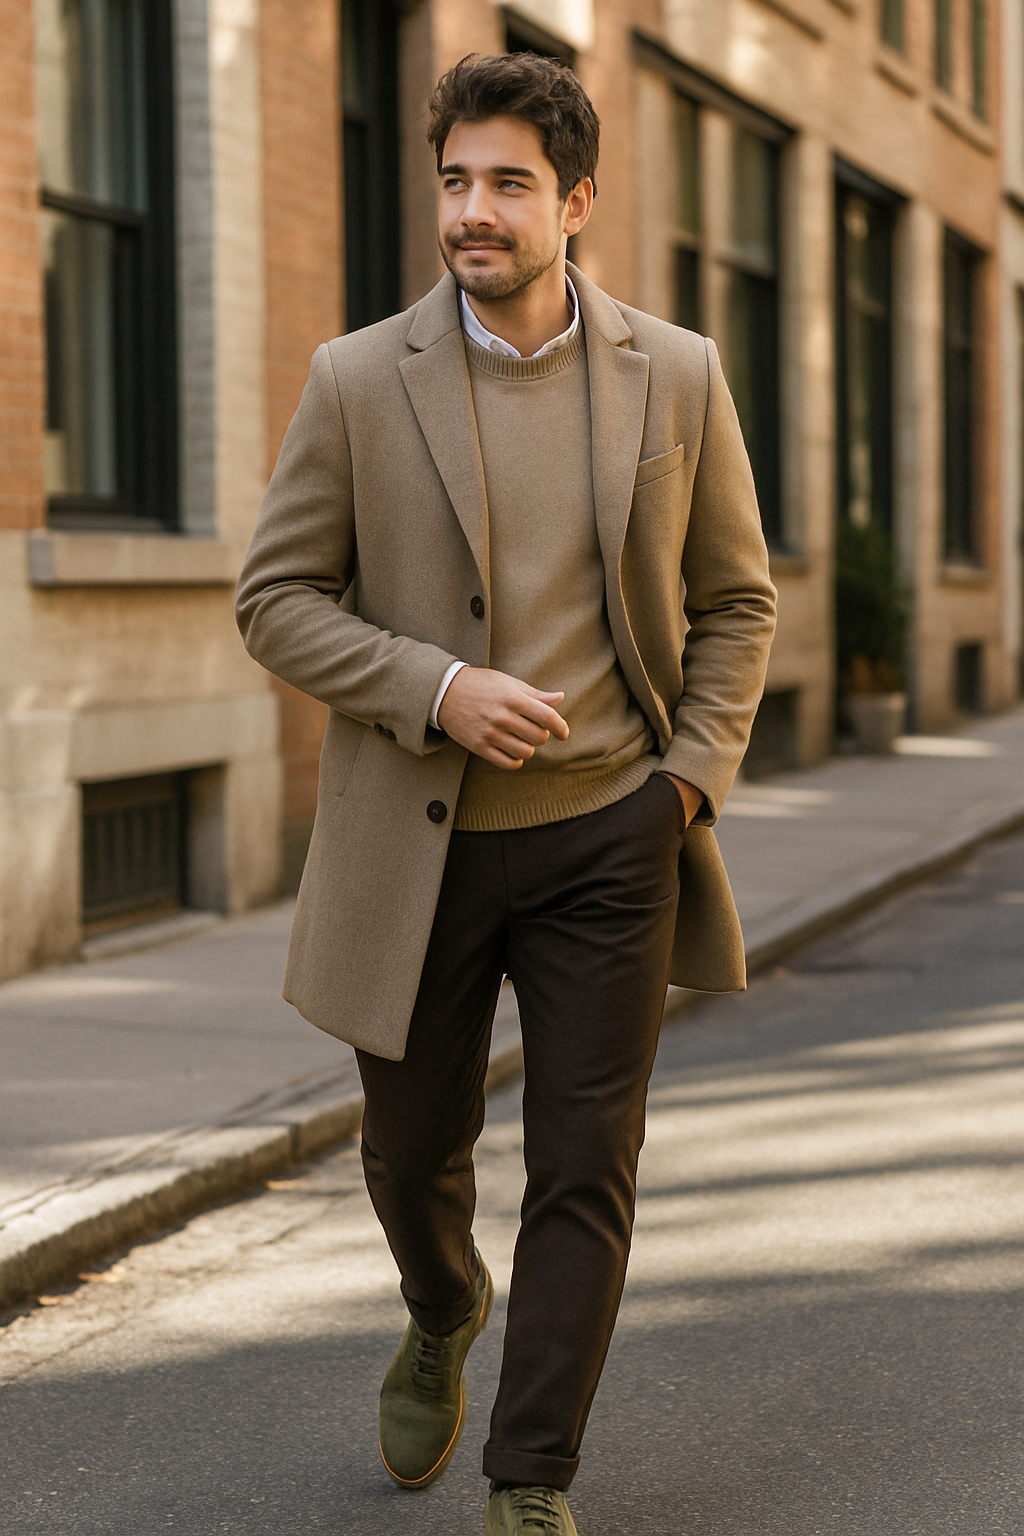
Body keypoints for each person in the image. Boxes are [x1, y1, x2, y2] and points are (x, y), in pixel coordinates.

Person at [236, 51, 776, 1536]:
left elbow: (739, 602)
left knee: (585, 1166)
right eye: (456, 181)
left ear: (577, 203)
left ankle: (532, 1476)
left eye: (510, 185)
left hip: (616, 832)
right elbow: (274, 599)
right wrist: (435, 688)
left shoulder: (678, 371)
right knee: (410, 1156)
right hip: (419, 851)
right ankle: (440, 1300)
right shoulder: (357, 378)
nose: (474, 211)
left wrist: (684, 788)